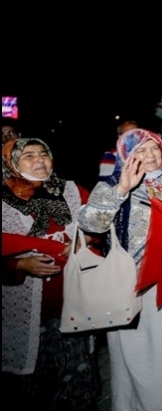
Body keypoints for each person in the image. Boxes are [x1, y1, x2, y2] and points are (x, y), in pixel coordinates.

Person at [79, 129, 162, 411]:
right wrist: (121, 191)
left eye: (154, 148)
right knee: (150, 347)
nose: (150, 155)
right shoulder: (113, 182)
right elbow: (89, 223)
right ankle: (151, 401)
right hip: (138, 281)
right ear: (126, 154)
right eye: (141, 150)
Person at [2, 138, 101, 410]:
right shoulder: (4, 201)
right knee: (34, 386)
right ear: (11, 164)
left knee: (78, 381)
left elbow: (97, 223)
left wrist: (86, 239)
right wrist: (18, 265)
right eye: (28, 155)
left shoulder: (70, 190)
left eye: (43, 153)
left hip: (72, 303)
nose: (39, 159)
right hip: (24, 314)